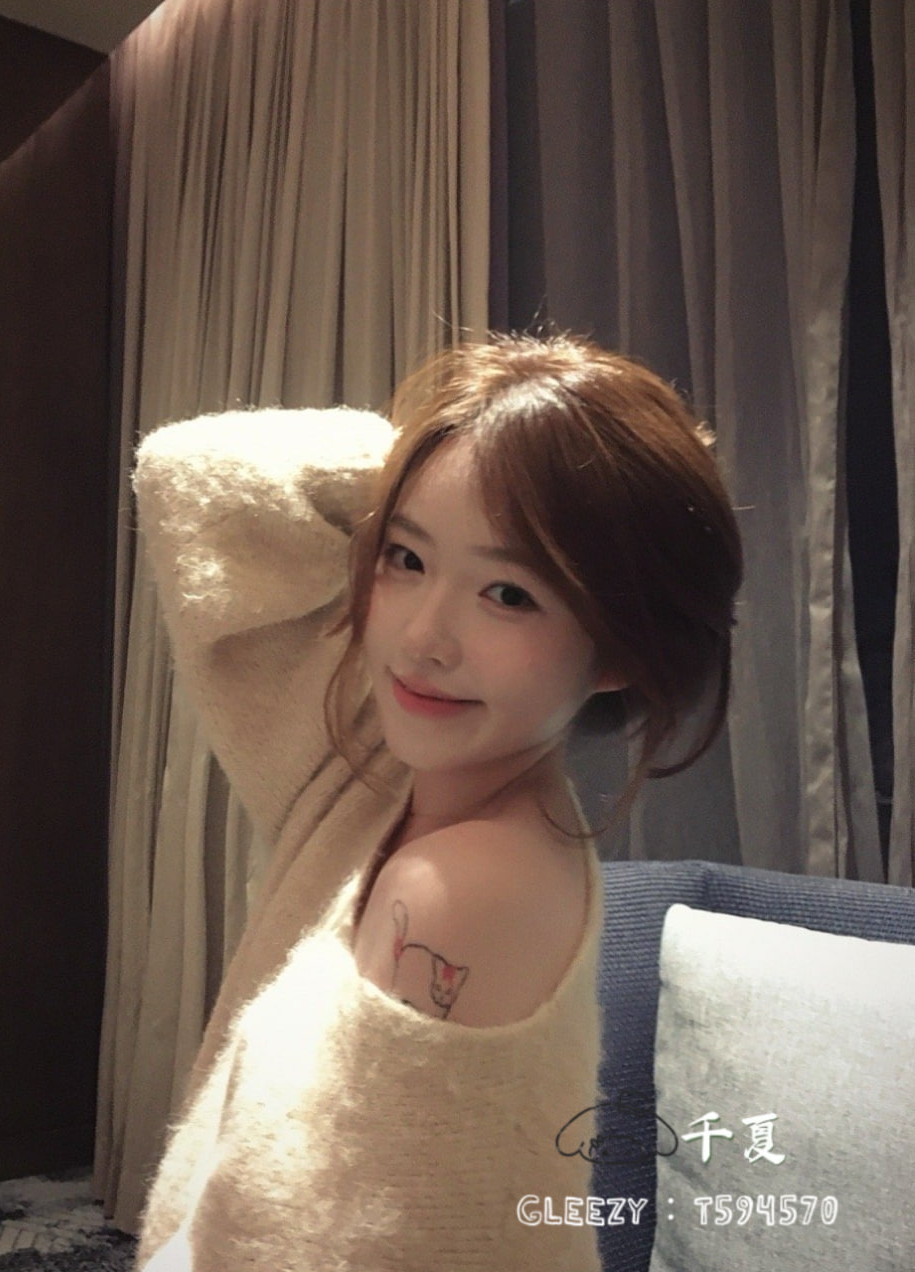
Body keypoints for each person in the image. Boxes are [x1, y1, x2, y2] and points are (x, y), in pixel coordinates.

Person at [132, 333, 742, 1271]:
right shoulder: (385, 778)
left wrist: (493, 469)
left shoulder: (466, 883)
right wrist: (466, 439)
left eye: (508, 593)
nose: (422, 637)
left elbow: (324, 1246)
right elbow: (188, 477)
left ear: (618, 648)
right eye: (405, 558)